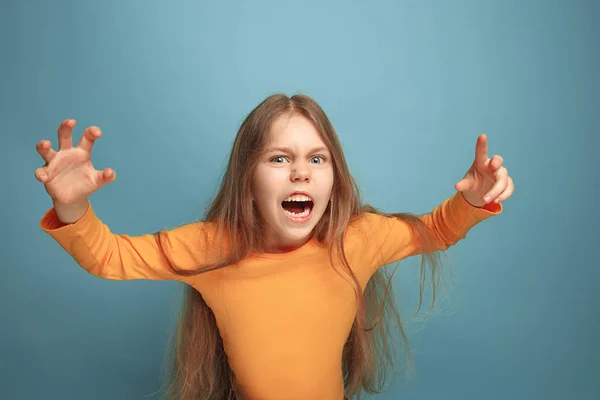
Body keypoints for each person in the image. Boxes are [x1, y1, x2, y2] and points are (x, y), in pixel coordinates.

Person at [35, 93, 514, 400]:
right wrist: (74, 208)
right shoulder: (211, 247)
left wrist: (471, 200)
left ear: (334, 175)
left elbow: (434, 229)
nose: (300, 172)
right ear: (248, 180)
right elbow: (110, 256)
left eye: (317, 158)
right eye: (279, 158)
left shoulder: (357, 240)